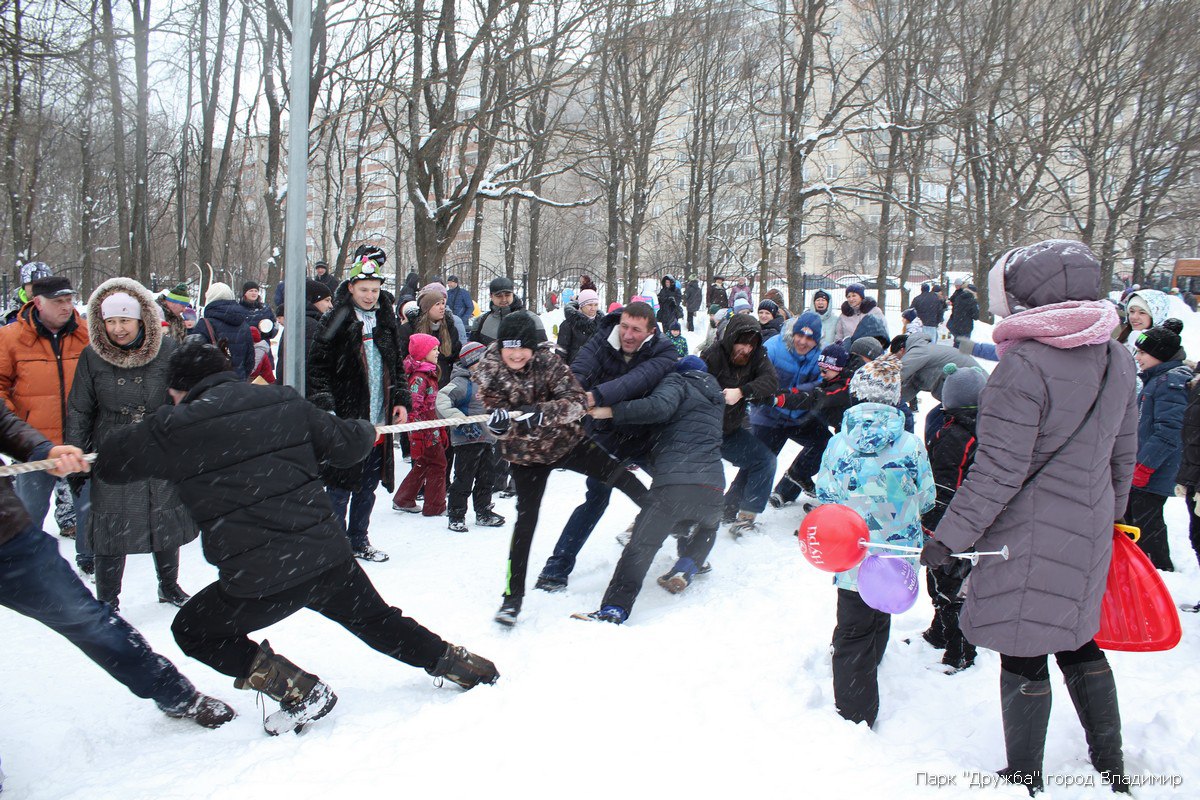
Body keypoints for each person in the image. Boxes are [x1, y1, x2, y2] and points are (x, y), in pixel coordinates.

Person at [94, 339, 498, 735]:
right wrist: (354, 425)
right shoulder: (281, 401)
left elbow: (111, 461)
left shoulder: (174, 427)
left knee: (193, 630)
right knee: (379, 621)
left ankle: (299, 690)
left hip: (260, 579)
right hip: (326, 558)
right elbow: (351, 443)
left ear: (177, 389)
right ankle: (459, 663)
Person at [922, 240, 1136, 795]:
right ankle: (1109, 761)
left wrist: (948, 539)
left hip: (1025, 534)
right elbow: (1121, 456)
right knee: (1077, 638)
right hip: (1088, 528)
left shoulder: (1022, 367)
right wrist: (1108, 520)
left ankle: (1023, 775)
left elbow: (997, 472)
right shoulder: (1119, 358)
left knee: (1023, 645)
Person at [0, 402, 235, 732]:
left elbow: (5, 424)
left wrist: (44, 449)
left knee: (87, 619)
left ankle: (175, 693)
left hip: (9, 541)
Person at [475, 311, 648, 626]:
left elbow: (578, 402)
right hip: (525, 456)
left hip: (565, 443)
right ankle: (511, 600)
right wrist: (499, 424)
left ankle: (666, 514)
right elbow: (492, 411)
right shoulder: (490, 371)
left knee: (618, 475)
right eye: (509, 348)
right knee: (525, 524)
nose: (516, 354)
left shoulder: (549, 363)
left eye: (522, 348)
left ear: (532, 347)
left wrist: (542, 412)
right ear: (499, 348)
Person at [815, 356, 936, 729]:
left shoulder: (837, 445)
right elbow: (927, 496)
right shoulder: (912, 445)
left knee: (851, 627)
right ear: (894, 398)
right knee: (881, 605)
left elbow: (824, 495)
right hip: (896, 553)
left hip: (852, 553)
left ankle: (854, 712)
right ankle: (875, 657)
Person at [65, 278, 196, 611]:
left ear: (141, 320)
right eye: (111, 321)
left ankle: (169, 585)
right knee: (111, 524)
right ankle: (108, 599)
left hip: (159, 442)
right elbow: (80, 408)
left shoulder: (167, 350)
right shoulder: (91, 356)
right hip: (113, 446)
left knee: (163, 515)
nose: (118, 329)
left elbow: (187, 397)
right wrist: (77, 455)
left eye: (124, 320)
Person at [534, 301, 678, 592]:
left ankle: (691, 550)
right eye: (624, 326)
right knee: (595, 499)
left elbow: (635, 382)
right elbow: (582, 367)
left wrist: (592, 398)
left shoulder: (665, 351)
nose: (627, 334)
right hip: (605, 434)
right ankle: (556, 569)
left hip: (646, 435)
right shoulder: (603, 336)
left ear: (650, 332)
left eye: (636, 330)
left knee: (673, 487)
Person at [577, 356, 725, 623]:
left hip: (673, 485)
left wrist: (610, 411)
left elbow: (657, 407)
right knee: (708, 526)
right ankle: (687, 565)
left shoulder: (678, 380)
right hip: (712, 487)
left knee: (640, 548)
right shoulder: (716, 397)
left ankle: (615, 608)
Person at [307, 246, 410, 563]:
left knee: (368, 486)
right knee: (339, 486)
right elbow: (317, 369)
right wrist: (327, 407)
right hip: (346, 420)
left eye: (375, 290)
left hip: (378, 417)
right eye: (363, 289)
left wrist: (401, 400)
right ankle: (334, 546)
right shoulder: (336, 318)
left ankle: (359, 539)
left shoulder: (386, 317)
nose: (369, 295)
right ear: (351, 288)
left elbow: (397, 366)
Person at [0, 274, 93, 572]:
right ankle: (26, 563)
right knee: (29, 511)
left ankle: (89, 560)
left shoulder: (87, 333)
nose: (67, 307)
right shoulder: (10, 337)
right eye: (58, 302)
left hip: (82, 440)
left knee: (89, 512)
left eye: (69, 300)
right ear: (37, 303)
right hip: (36, 443)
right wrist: (16, 425)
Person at [919, 363, 988, 673]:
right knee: (949, 580)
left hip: (948, 522)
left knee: (947, 585)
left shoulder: (955, 435)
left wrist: (932, 523)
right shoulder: (985, 428)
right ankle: (939, 633)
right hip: (971, 521)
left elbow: (944, 485)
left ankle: (960, 651)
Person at [735, 313, 825, 526]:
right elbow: (758, 376)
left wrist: (791, 394)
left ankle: (790, 484)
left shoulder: (819, 355)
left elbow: (818, 384)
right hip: (769, 416)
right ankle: (733, 509)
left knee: (824, 442)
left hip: (799, 417)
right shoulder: (774, 347)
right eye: (799, 335)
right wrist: (769, 395)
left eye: (810, 338)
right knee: (760, 463)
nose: (803, 342)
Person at [699, 314, 778, 536]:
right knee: (690, 480)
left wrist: (743, 391)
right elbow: (693, 385)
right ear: (732, 338)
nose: (745, 349)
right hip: (702, 433)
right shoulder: (713, 355)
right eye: (741, 342)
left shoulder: (757, 355)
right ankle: (645, 525)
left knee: (765, 461)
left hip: (730, 432)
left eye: (751, 344)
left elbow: (771, 381)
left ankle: (746, 517)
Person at [1127, 319, 1189, 571]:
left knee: (1147, 524)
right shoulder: (1157, 378)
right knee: (1136, 520)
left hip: (1155, 469)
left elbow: (1169, 432)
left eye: (1142, 352)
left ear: (1159, 355)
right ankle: (1142, 567)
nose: (1137, 357)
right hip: (1146, 466)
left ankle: (1159, 570)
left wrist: (1145, 466)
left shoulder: (1169, 383)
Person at [767, 342, 856, 508]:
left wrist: (782, 400)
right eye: (820, 369)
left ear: (839, 368)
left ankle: (834, 503)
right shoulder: (833, 379)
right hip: (840, 429)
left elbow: (815, 397)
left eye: (825, 370)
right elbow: (807, 391)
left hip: (853, 433)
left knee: (838, 460)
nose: (821, 374)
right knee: (821, 441)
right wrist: (780, 395)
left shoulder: (844, 385)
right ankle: (786, 489)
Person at [437, 340, 504, 532]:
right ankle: (456, 515)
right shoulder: (461, 382)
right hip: (467, 440)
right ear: (473, 362)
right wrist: (460, 420)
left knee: (487, 477)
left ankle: (483, 512)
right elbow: (441, 400)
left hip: (487, 438)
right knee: (464, 478)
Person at [391, 334, 448, 517]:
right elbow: (413, 407)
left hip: (431, 427)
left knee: (424, 463)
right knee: (439, 463)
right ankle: (435, 505)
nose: (437, 352)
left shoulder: (429, 373)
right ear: (423, 353)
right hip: (423, 430)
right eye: (433, 349)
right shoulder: (419, 378)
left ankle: (404, 498)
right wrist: (418, 432)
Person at [897, 329, 981, 439]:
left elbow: (898, 374)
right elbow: (914, 384)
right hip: (969, 391)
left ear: (902, 350)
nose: (897, 361)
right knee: (934, 419)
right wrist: (895, 400)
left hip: (972, 391)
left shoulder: (919, 351)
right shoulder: (925, 352)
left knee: (937, 421)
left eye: (896, 357)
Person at [398, 282, 461, 385]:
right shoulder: (408, 329)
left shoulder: (450, 329)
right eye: (437, 304)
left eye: (443, 303)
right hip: (417, 385)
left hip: (443, 385)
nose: (442, 308)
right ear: (426, 308)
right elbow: (401, 360)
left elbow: (455, 358)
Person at [193, 281, 255, 379]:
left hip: (212, 386)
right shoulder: (244, 325)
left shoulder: (205, 324)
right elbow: (250, 361)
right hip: (238, 385)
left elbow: (194, 359)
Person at [276, 279, 333, 384]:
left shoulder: (300, 322)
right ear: (312, 300)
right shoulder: (310, 325)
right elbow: (312, 367)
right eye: (327, 300)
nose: (331, 305)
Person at [470, 276, 544, 345]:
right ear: (491, 296)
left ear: (512, 294)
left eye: (507, 295)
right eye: (499, 296)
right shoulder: (480, 322)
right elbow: (474, 353)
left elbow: (542, 352)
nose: (504, 299)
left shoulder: (532, 319)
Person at [1113, 288, 1169, 357]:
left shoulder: (1161, 348)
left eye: (1142, 313)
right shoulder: (1123, 338)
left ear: (1155, 316)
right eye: (1131, 311)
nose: (1134, 317)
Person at [556, 288, 600, 364]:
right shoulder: (568, 325)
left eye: (595, 305)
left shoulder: (601, 323)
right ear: (581, 306)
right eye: (589, 305)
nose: (593, 308)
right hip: (574, 371)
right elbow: (561, 353)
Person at [3, 261, 51, 325]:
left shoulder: (60, 315)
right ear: (24, 287)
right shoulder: (8, 319)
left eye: (42, 284)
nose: (37, 288)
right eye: (32, 283)